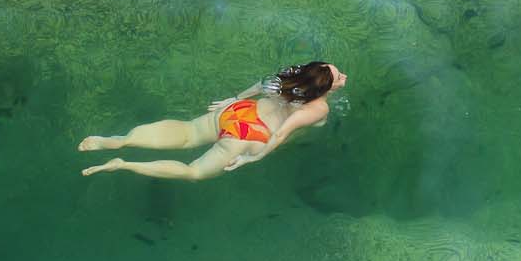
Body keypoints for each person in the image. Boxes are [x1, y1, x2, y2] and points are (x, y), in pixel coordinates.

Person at [79, 61, 346, 180]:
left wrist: (234, 98)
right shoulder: (318, 108)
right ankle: (124, 164)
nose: (343, 77)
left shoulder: (293, 75)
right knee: (193, 172)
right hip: (249, 134)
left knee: (188, 133)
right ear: (324, 89)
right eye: (338, 77)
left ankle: (123, 140)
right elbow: (281, 134)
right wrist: (253, 159)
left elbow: (261, 84)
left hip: (239, 111)